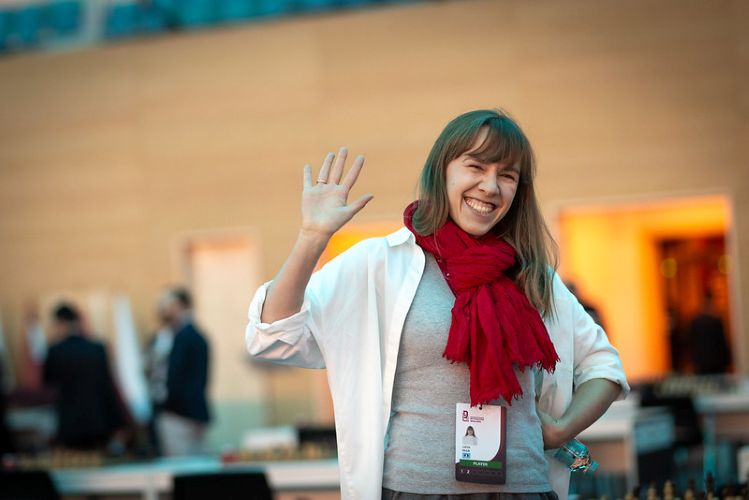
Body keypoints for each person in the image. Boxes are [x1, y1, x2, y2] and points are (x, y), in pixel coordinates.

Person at [246, 109, 629, 500]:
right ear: (442, 170)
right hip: (414, 490)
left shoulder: (530, 275)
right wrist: (311, 237)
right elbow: (273, 336)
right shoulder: (381, 263)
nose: (490, 186)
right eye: (476, 166)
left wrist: (562, 429)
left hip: (524, 489)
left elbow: (604, 367)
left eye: (507, 175)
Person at [43, 302, 126, 450]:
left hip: (69, 423)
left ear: (60, 323)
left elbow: (47, 382)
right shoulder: (97, 348)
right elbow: (107, 385)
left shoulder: (54, 351)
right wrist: (117, 421)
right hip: (98, 419)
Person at [154, 287, 211, 456]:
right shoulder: (191, 335)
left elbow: (177, 377)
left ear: (180, 306)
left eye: (167, 304)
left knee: (182, 460)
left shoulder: (184, 337)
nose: (163, 309)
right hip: (188, 413)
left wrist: (167, 405)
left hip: (180, 414)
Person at [688, 290, 731, 374]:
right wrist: (726, 361)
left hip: (702, 362)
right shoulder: (715, 321)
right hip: (715, 362)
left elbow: (691, 342)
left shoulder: (696, 321)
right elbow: (722, 343)